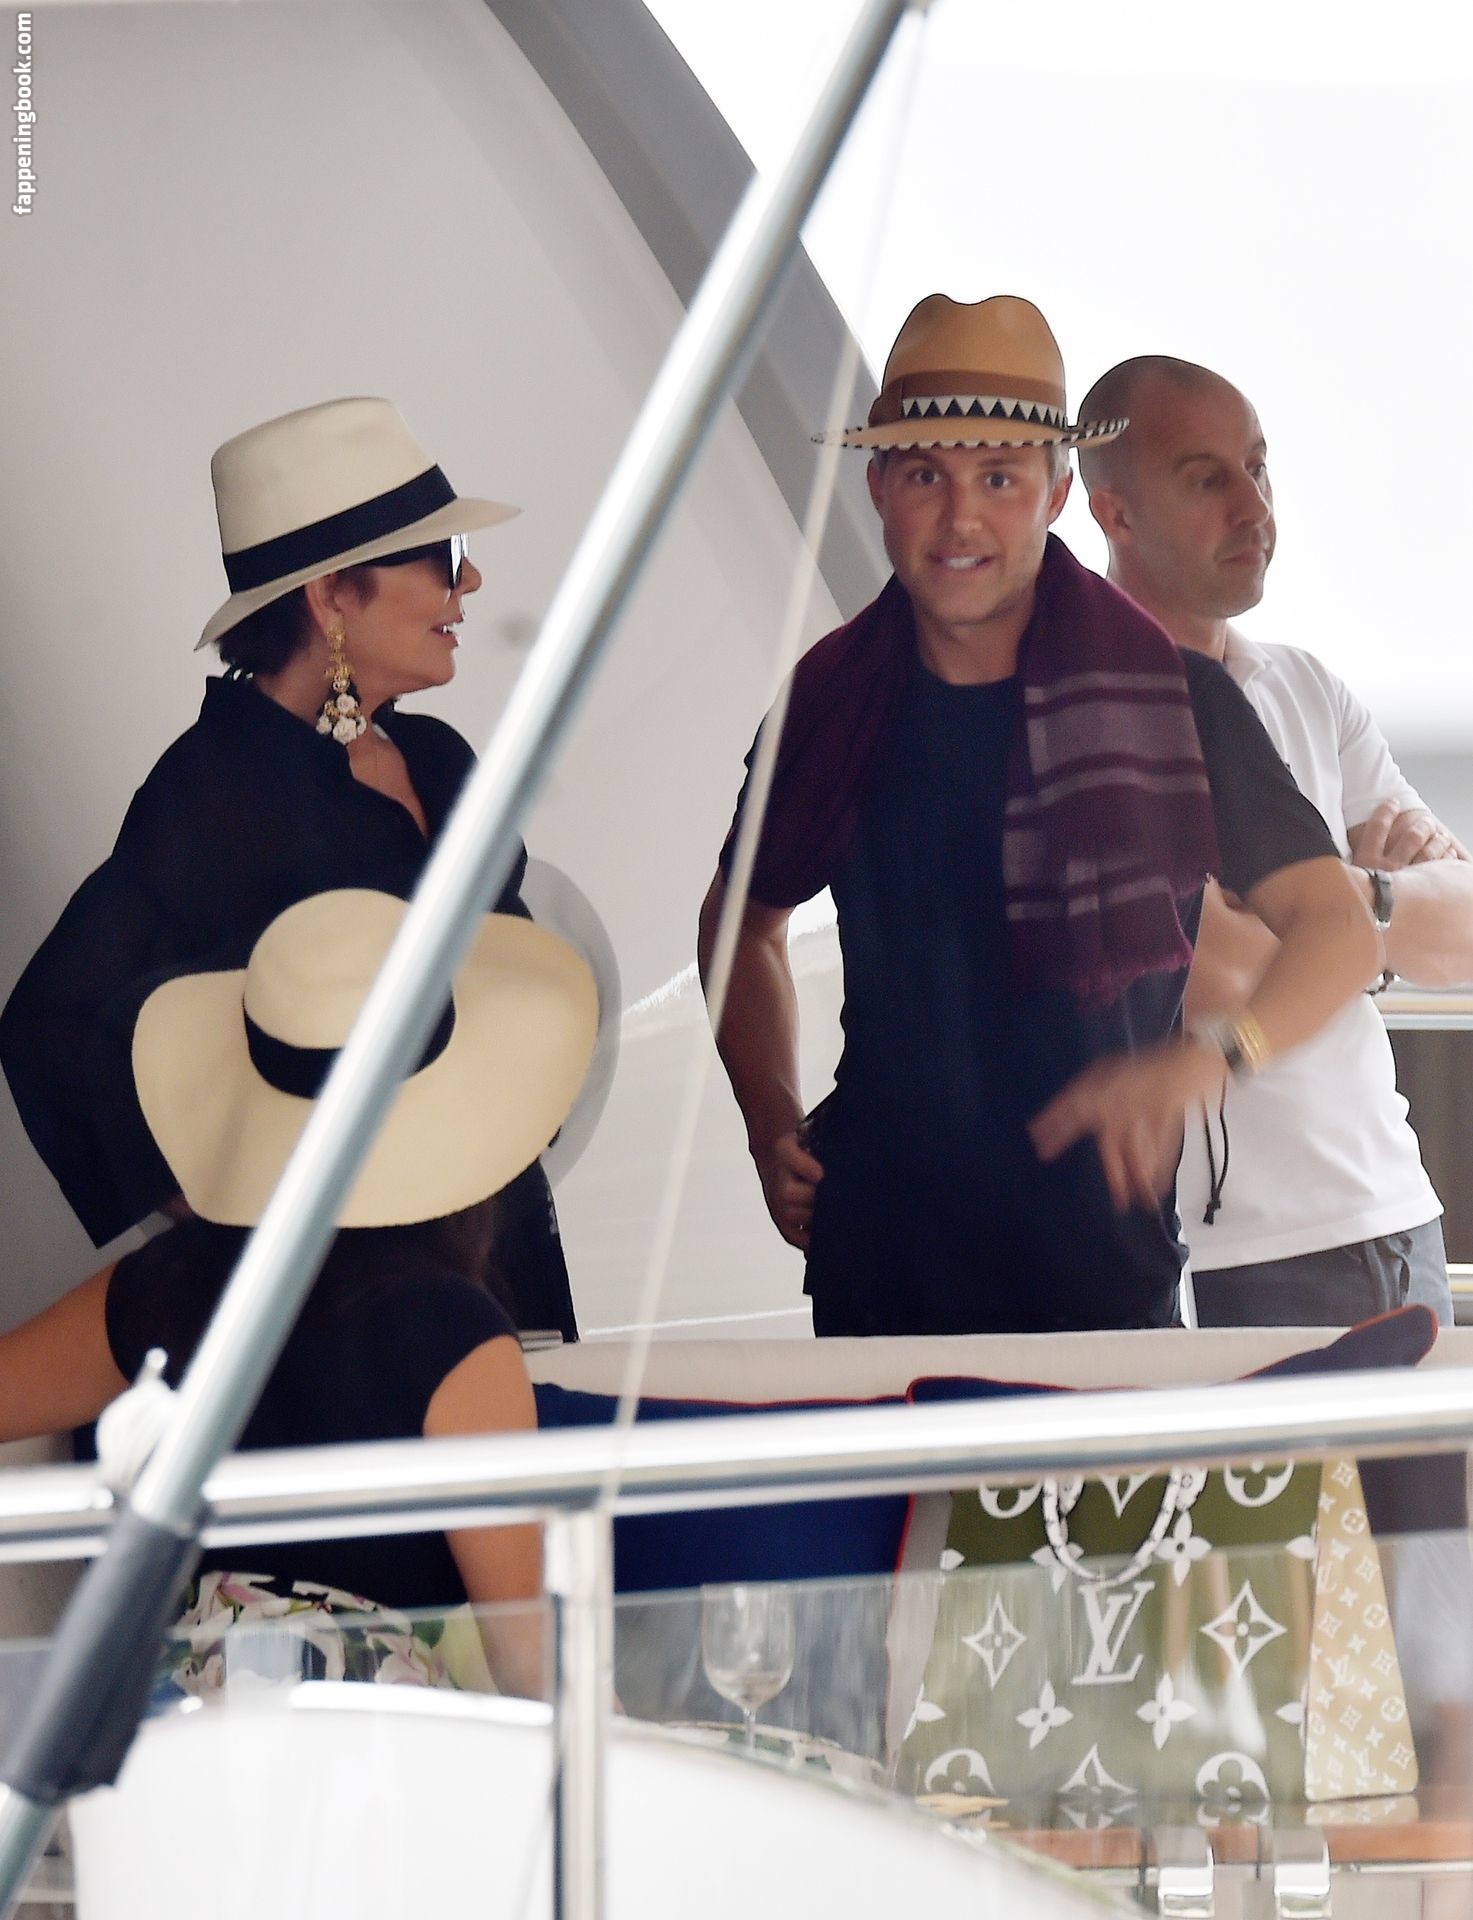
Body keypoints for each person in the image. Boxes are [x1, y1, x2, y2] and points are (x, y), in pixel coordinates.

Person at [697, 293, 1378, 1337]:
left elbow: (1337, 930)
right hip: (877, 1270)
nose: (961, 519)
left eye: (1000, 478)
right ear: (878, 487)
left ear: (1057, 493)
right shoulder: (832, 699)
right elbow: (740, 924)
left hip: (1100, 1282)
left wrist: (1211, 1056)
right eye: (925, 476)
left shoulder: (1171, 695)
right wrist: (767, 1121)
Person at [0, 396, 581, 1341]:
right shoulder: (216, 787)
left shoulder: (438, 759)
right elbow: (49, 1026)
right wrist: (223, 1205)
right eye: (439, 555)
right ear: (331, 595)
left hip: (502, 1237)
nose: (469, 580)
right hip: (356, 1297)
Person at [0, 887, 599, 1697]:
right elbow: (530, 1658)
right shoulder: (460, 1338)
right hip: (370, 1752)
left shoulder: (161, 1287)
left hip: (173, 1742)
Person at [1078, 355, 1473, 1327]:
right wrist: (1377, 902)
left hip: (1399, 1216)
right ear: (1114, 513)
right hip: (1236, 1256)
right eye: (1206, 479)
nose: (1253, 508)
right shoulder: (1089, 716)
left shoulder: (1307, 688)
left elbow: (1465, 937)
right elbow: (1222, 974)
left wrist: (1342, 911)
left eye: (1257, 468)